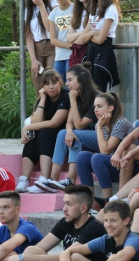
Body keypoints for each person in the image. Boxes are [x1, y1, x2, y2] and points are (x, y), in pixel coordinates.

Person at [33, 64, 101, 193]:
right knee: (63, 133)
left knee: (76, 135)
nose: (67, 83)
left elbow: (80, 125)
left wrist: (73, 102)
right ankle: (52, 179)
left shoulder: (96, 97)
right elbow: (69, 122)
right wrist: (69, 131)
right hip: (84, 135)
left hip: (103, 137)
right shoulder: (75, 96)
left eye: (70, 80)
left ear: (80, 80)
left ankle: (71, 179)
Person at [76, 92, 137, 199]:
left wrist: (99, 127)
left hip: (128, 168)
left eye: (99, 106)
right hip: (113, 165)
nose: (95, 110)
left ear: (110, 108)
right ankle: (88, 200)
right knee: (82, 156)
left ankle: (107, 202)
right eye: (94, 106)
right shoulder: (100, 124)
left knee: (97, 158)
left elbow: (105, 151)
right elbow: (103, 150)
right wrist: (99, 126)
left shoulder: (120, 122)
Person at [19, 69, 70, 193]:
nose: (51, 87)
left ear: (60, 83)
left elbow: (54, 123)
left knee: (44, 132)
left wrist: (27, 127)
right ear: (43, 87)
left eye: (54, 83)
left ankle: (44, 179)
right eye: (47, 84)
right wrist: (42, 99)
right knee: (33, 136)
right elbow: (36, 122)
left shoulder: (66, 96)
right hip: (47, 135)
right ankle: (24, 178)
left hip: (62, 135)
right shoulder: (44, 98)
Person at [74, 0, 121, 92]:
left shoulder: (111, 9)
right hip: (91, 51)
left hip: (102, 52)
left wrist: (88, 36)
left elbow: (100, 40)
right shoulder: (94, 8)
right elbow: (81, 39)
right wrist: (92, 33)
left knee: (98, 90)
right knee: (87, 89)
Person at [26, 0, 58, 93]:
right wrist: (33, 59)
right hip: (37, 48)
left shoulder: (54, 3)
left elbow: (50, 27)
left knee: (51, 83)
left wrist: (41, 5)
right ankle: (41, 106)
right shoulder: (28, 8)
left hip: (52, 46)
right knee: (39, 89)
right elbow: (29, 36)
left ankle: (55, 107)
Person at [49, 0, 74, 80]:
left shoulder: (76, 9)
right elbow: (52, 40)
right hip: (59, 57)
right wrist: (69, 46)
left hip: (73, 55)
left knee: (70, 85)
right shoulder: (53, 13)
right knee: (57, 84)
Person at [66, 0, 90, 66]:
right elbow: (68, 38)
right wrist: (81, 33)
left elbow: (84, 39)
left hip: (88, 52)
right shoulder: (78, 12)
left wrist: (76, 37)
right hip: (77, 55)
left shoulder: (93, 12)